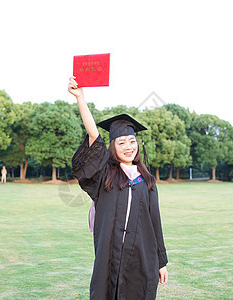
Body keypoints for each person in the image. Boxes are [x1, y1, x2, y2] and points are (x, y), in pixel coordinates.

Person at [68, 76, 168, 299]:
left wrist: (161, 262)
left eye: (132, 141)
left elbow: (155, 223)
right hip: (109, 256)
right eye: (121, 142)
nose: (128, 147)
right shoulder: (106, 174)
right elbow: (94, 135)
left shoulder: (147, 180)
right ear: (113, 146)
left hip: (140, 256)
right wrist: (80, 98)